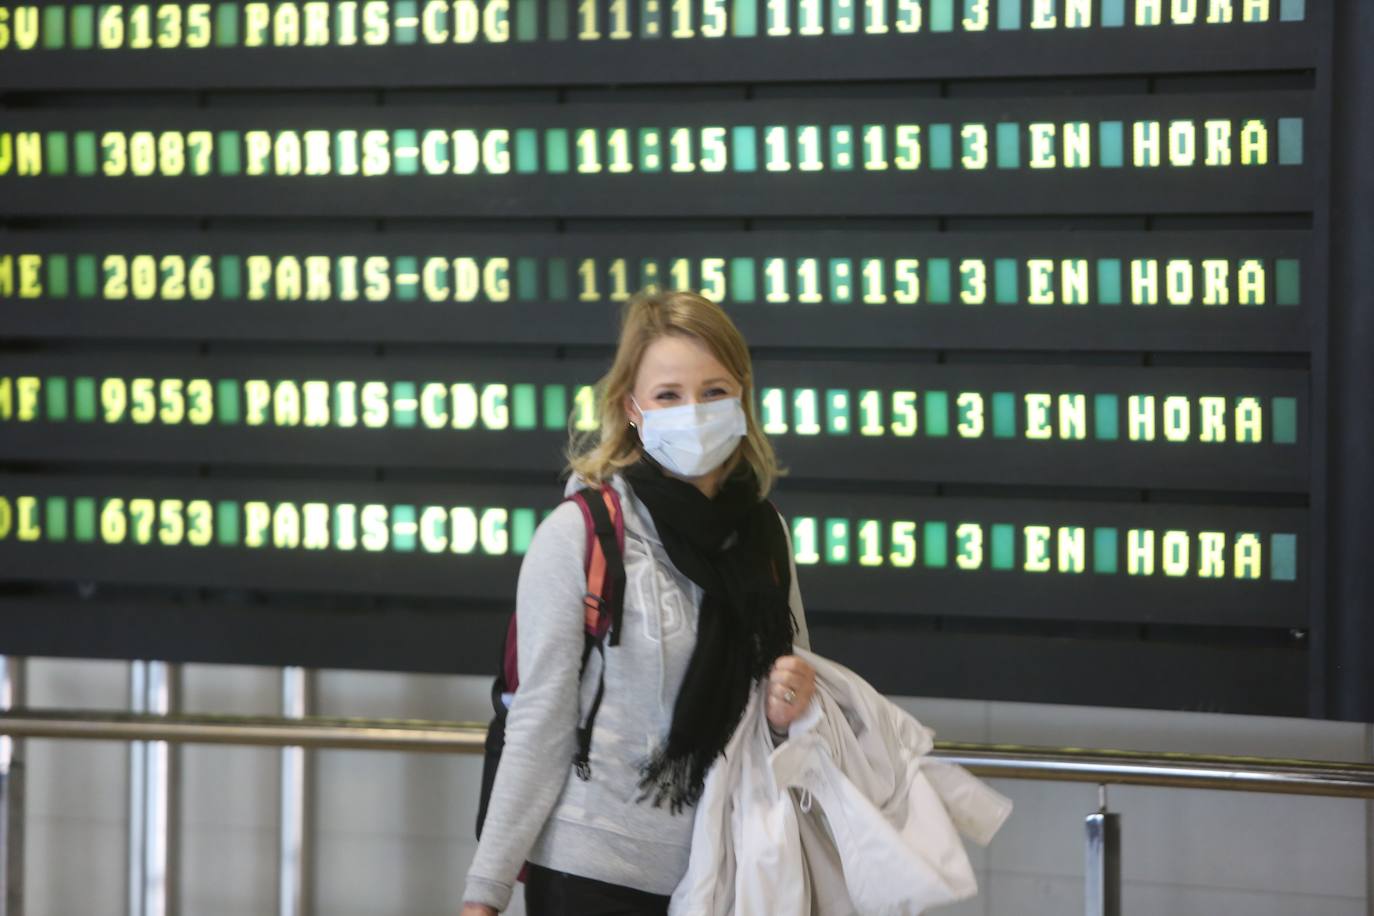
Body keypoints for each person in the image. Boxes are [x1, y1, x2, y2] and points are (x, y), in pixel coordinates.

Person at [461, 289, 817, 916]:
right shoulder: (582, 533)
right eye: (669, 395)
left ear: (741, 400)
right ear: (632, 408)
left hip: (728, 873)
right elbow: (539, 721)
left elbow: (784, 716)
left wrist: (788, 710)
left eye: (713, 392)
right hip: (592, 876)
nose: (695, 411)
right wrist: (483, 896)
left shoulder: (764, 535)